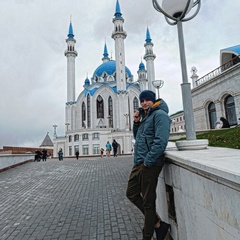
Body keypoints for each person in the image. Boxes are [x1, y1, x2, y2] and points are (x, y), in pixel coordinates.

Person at [126, 90, 171, 240]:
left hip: (149, 164)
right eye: (142, 100)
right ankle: (158, 224)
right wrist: (136, 123)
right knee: (131, 193)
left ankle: (147, 236)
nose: (144, 103)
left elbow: (161, 141)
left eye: (147, 100)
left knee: (148, 202)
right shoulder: (146, 116)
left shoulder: (160, 115)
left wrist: (148, 161)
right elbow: (138, 138)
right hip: (139, 162)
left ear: (153, 100)